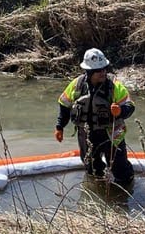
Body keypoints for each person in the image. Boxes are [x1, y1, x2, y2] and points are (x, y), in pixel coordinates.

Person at [54, 48, 135, 189]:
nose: (103, 72)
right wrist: (60, 127)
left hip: (112, 134)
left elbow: (130, 106)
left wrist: (121, 111)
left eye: (104, 69)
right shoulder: (77, 85)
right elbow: (64, 105)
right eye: (99, 71)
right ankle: (101, 192)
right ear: (89, 72)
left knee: (121, 169)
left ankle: (127, 191)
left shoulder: (114, 86)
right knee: (92, 168)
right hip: (87, 134)